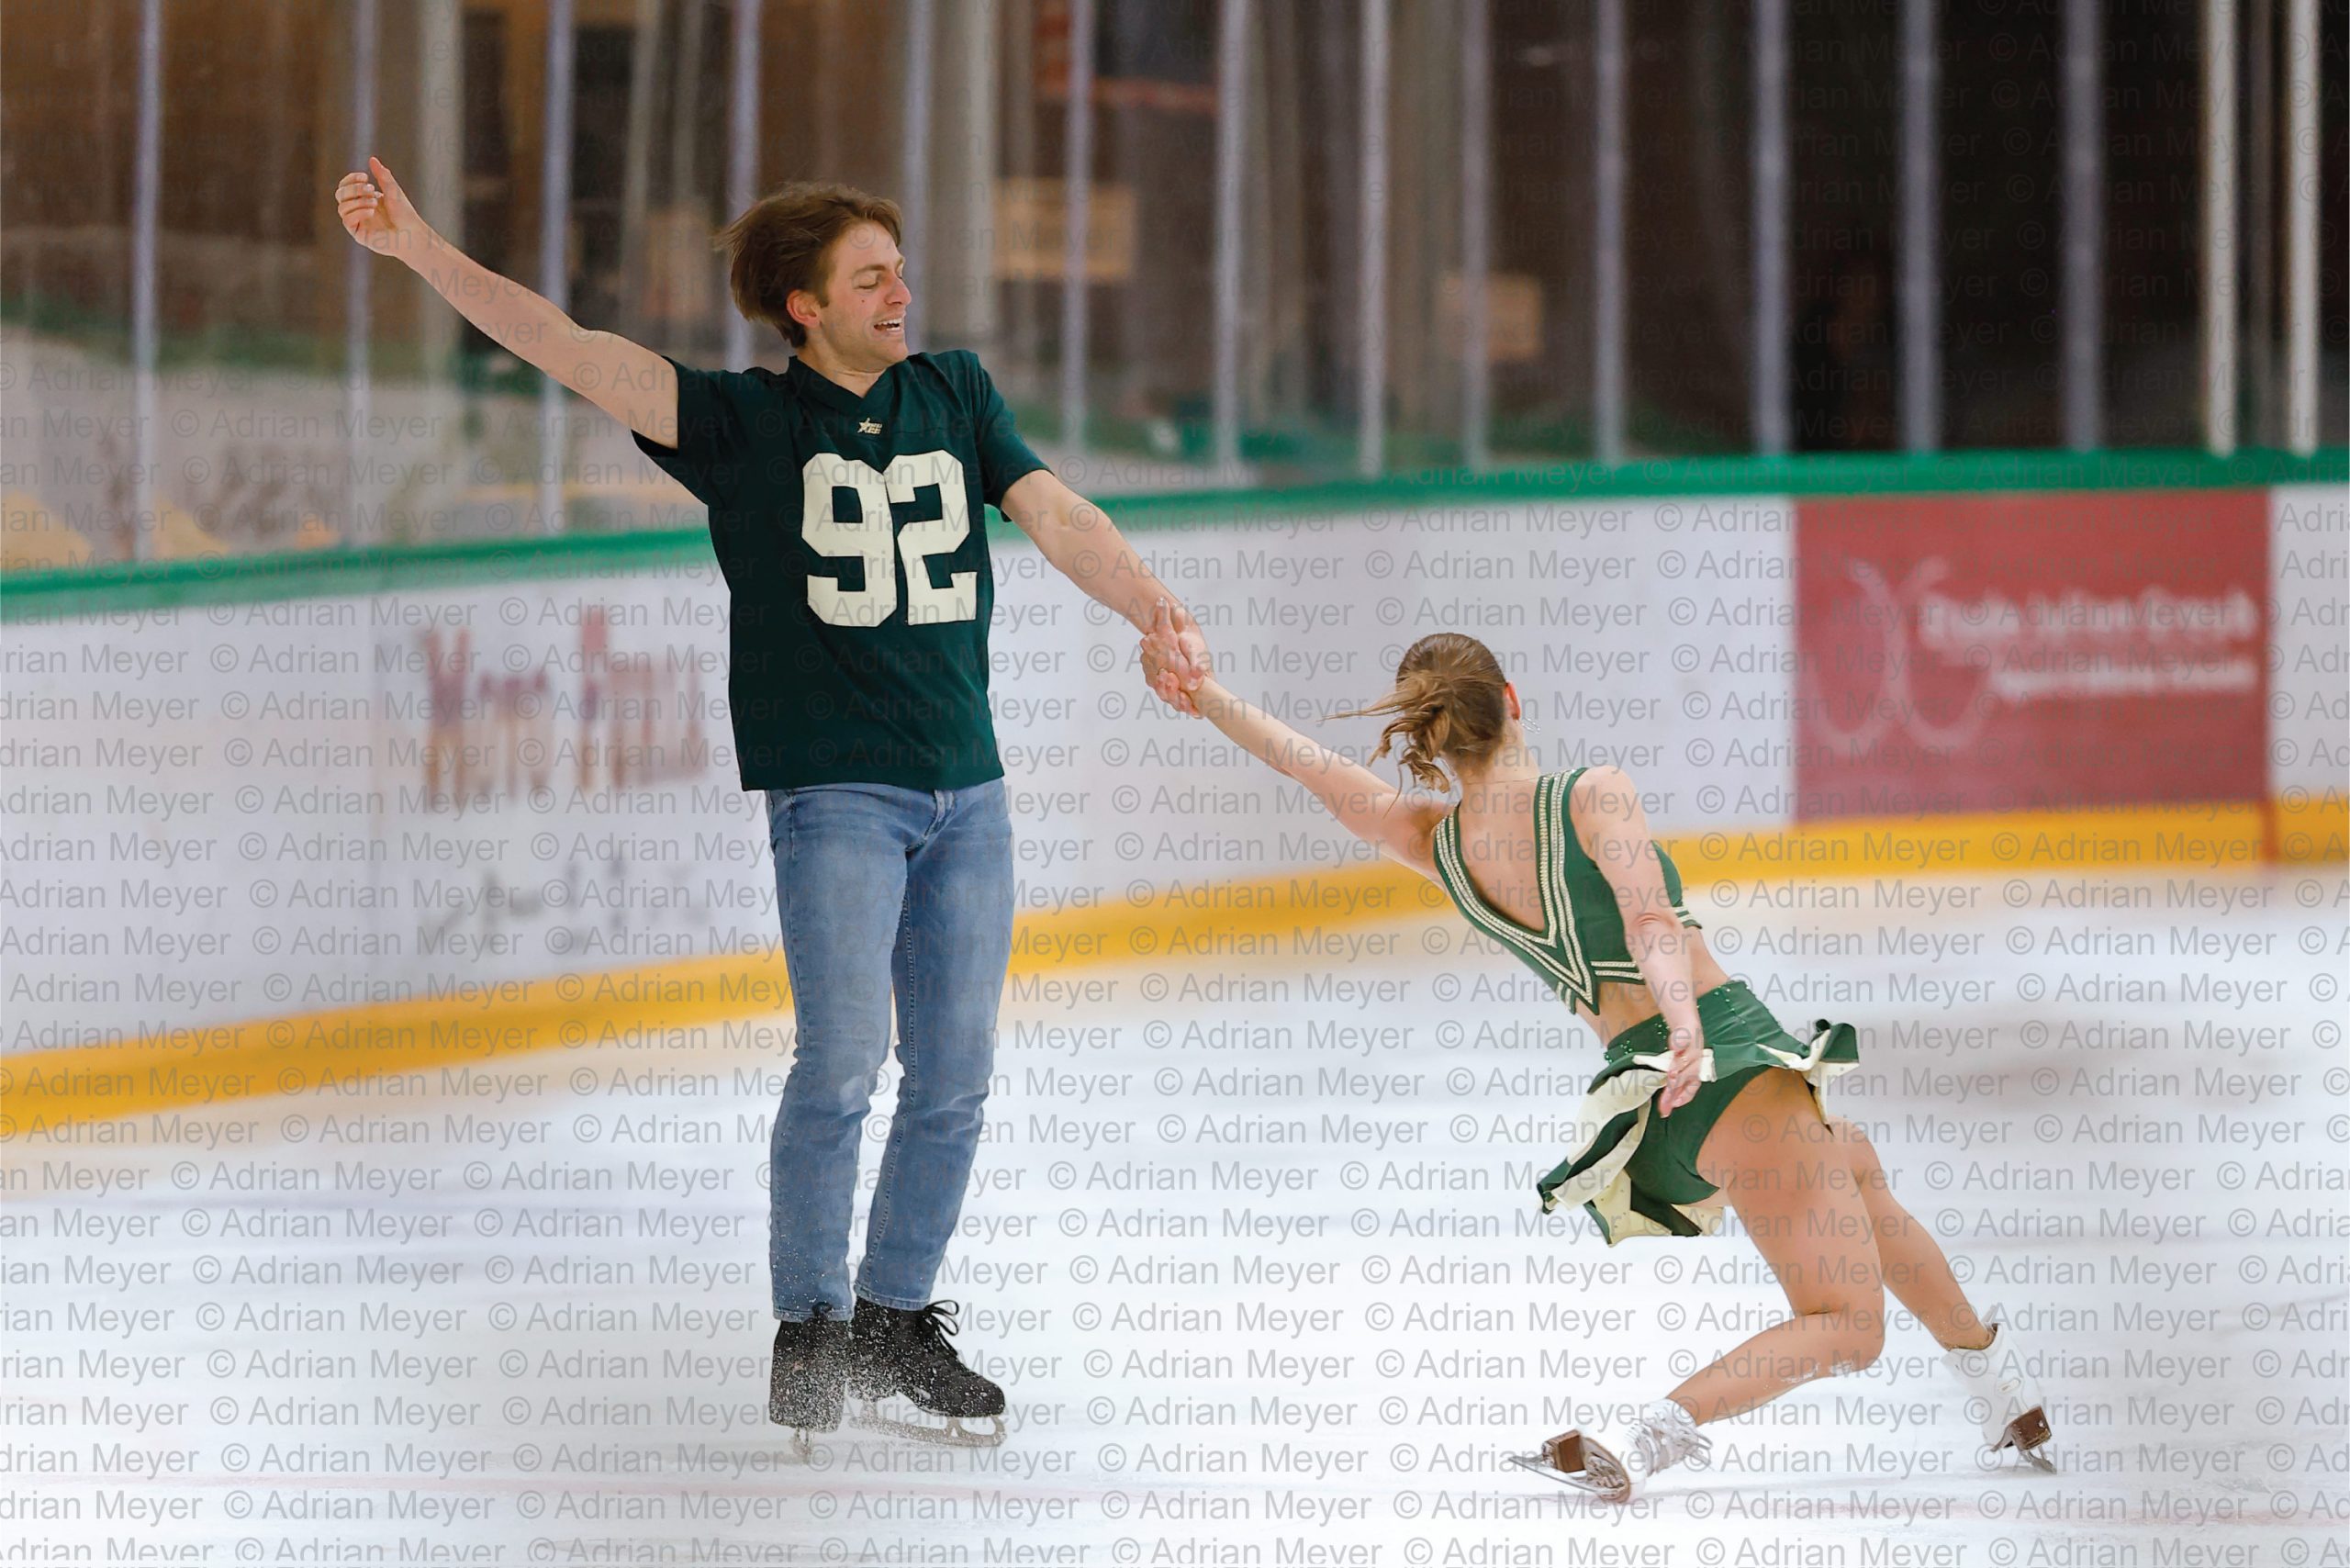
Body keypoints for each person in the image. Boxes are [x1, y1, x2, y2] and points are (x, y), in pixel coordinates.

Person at [337, 159, 1211, 1449]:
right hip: (836, 797)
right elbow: (568, 346)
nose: (901, 293)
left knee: (956, 1075)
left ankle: (896, 1318)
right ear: (803, 306)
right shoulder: (744, 426)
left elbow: (1056, 513)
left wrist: (1154, 608)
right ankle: (809, 1327)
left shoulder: (956, 392)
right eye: (872, 278)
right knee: (845, 1061)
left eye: (898, 271)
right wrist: (417, 250)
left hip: (967, 792)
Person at [1136, 610, 2056, 1499]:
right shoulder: (1589, 792)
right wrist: (1688, 1028)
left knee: (1852, 1164)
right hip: (1721, 1058)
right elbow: (1650, 917)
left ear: (1433, 735)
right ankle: (1646, 1430)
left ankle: (1992, 1380)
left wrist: (1207, 693)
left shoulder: (1435, 843)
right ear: (1511, 697)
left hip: (1646, 1106)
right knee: (1848, 1327)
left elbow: (1314, 770)